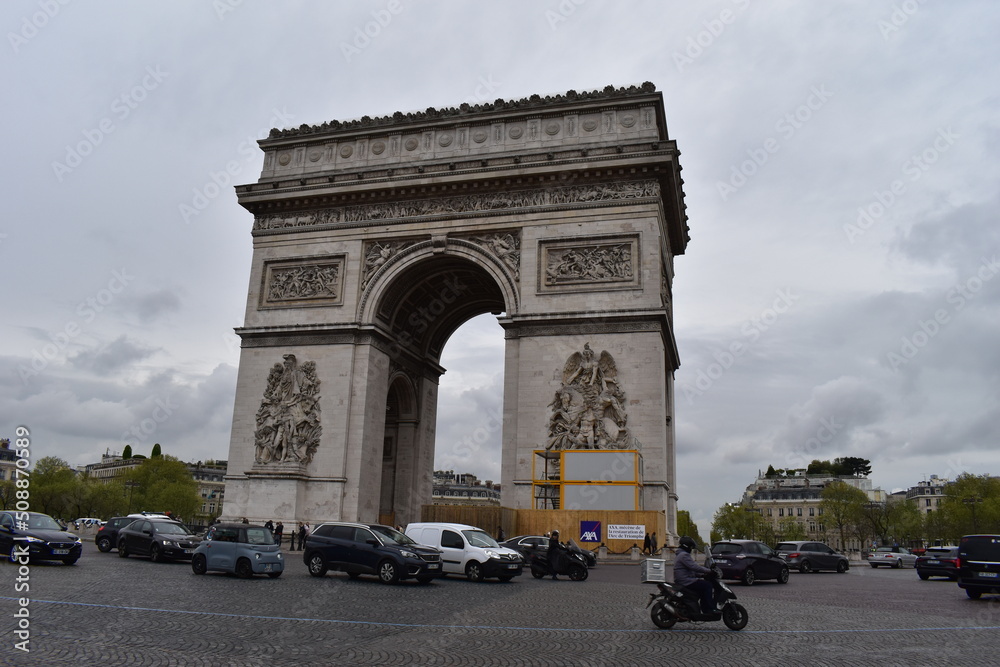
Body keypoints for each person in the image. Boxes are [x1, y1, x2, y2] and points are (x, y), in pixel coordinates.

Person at [673, 536, 716, 616]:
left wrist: (702, 575)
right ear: (687, 546)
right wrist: (709, 571)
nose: (691, 549)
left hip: (683, 579)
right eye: (691, 547)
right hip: (686, 581)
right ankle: (708, 609)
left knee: (703, 586)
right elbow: (694, 567)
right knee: (707, 586)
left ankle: (703, 608)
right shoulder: (684, 555)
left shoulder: (680, 554)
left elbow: (690, 570)